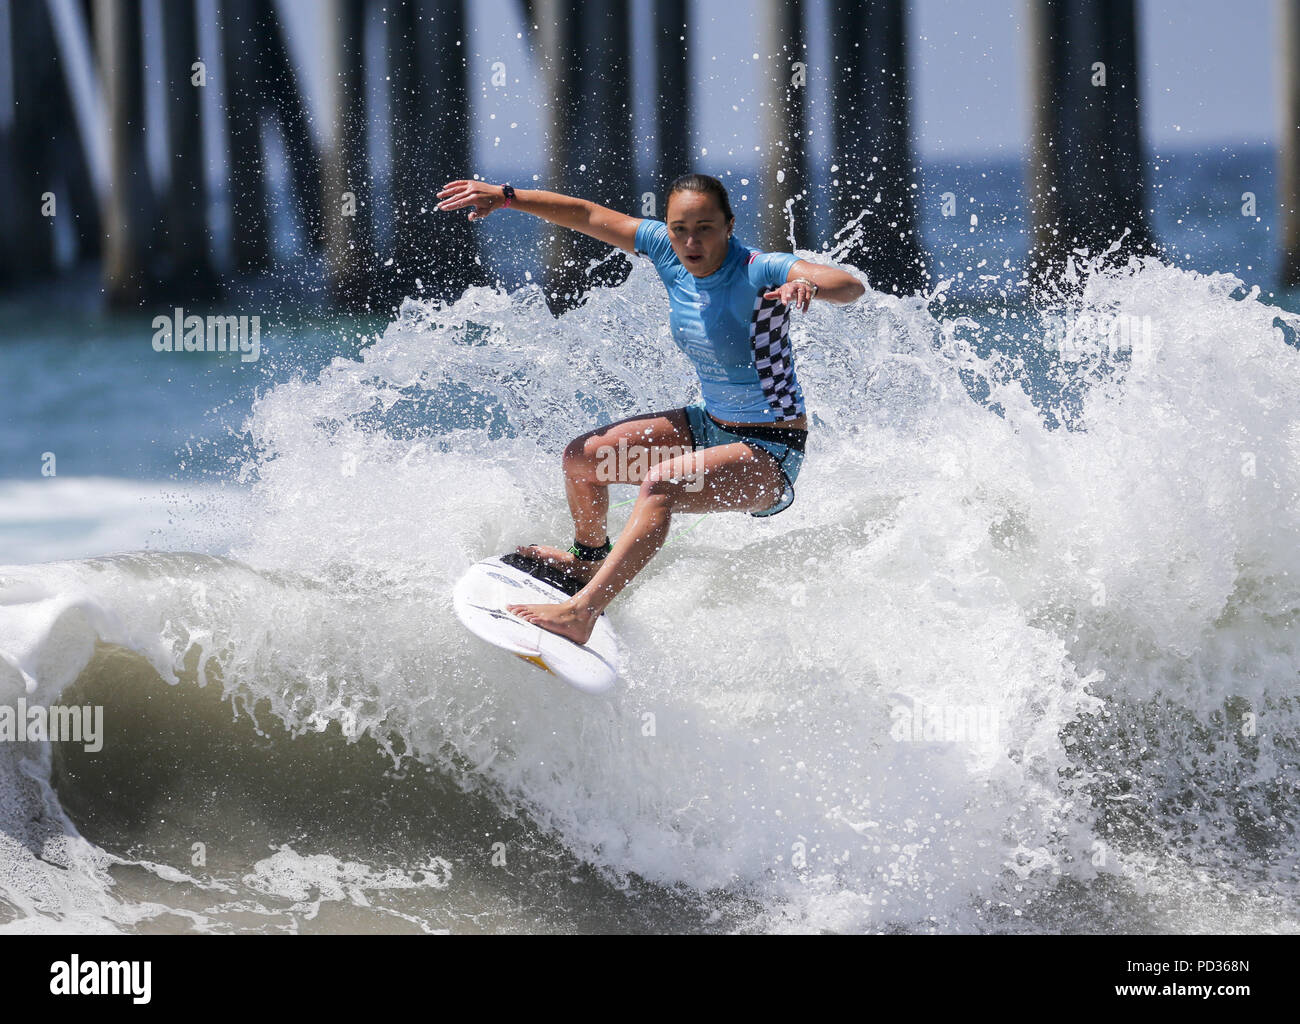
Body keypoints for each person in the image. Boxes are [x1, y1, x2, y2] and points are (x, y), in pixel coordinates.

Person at [436, 173, 865, 646]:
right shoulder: (665, 251)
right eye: (679, 227)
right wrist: (507, 197)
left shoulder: (759, 270)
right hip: (709, 426)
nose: (690, 240)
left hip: (768, 453)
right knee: (584, 459)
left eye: (705, 227)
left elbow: (847, 285)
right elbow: (588, 215)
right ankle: (588, 559)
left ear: (729, 225)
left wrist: (806, 284)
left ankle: (581, 613)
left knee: (660, 484)